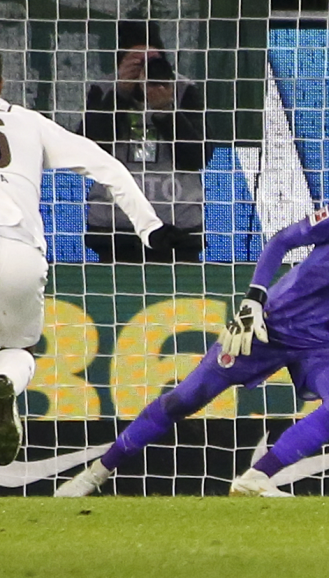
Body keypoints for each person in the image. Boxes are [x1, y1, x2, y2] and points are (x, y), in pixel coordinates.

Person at [56, 150, 329, 497]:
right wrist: (254, 300)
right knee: (184, 399)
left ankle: (256, 478)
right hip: (272, 325)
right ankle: (96, 473)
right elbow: (281, 240)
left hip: (327, 343)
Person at [0, 57, 194, 466]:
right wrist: (151, 228)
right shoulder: (29, 122)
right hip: (18, 256)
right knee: (19, 348)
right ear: (1, 82)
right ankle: (7, 383)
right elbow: (109, 167)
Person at [80, 19, 207, 263]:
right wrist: (120, 94)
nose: (145, 70)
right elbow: (91, 152)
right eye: (137, 62)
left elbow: (197, 157)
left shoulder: (183, 89)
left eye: (152, 61)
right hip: (115, 226)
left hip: (176, 226)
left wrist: (166, 111)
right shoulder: (104, 88)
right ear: (121, 61)